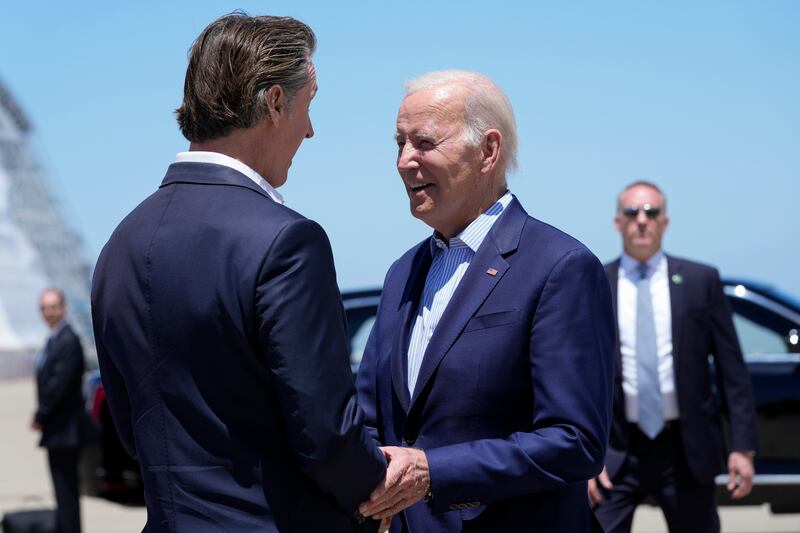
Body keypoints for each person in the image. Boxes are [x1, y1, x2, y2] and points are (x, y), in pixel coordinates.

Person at [90, 13, 386, 532]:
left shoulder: (120, 244)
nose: (311, 130)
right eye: (308, 106)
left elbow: (133, 432)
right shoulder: (286, 240)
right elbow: (325, 435)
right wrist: (378, 486)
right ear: (274, 102)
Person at [355, 70, 616, 532]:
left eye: (424, 143)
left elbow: (575, 442)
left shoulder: (560, 266)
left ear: (488, 151)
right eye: (399, 143)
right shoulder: (403, 271)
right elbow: (373, 417)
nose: (403, 160)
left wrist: (432, 472)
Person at [589, 181, 758, 532]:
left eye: (651, 212)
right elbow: (578, 375)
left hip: (686, 450)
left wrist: (742, 447)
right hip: (616, 452)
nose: (642, 220)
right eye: (632, 212)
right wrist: (586, 455)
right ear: (617, 222)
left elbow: (732, 371)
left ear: (665, 222)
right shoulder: (594, 283)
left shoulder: (701, 280)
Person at [32, 288, 86, 533]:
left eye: (53, 307)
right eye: (45, 308)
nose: (49, 313)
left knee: (66, 491)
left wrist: (40, 415)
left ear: (63, 308)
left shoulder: (67, 340)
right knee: (62, 490)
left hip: (66, 429)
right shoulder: (53, 339)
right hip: (57, 429)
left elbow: (58, 385)